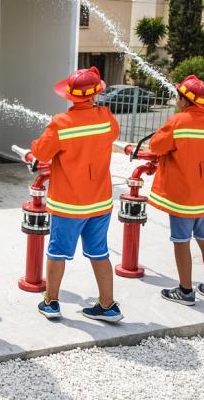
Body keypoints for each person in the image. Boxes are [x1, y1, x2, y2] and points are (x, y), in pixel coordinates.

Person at [31, 67, 123, 322]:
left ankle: (51, 302)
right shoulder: (105, 117)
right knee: (99, 252)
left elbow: (41, 152)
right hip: (100, 202)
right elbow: (114, 134)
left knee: (58, 252)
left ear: (70, 96)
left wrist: (34, 149)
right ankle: (107, 305)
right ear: (94, 96)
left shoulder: (61, 123)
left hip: (68, 204)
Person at [148, 75, 204, 306]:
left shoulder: (178, 121)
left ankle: (186, 291)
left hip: (182, 196)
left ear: (184, 100)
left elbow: (156, 145)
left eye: (178, 95)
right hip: (203, 196)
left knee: (181, 241)